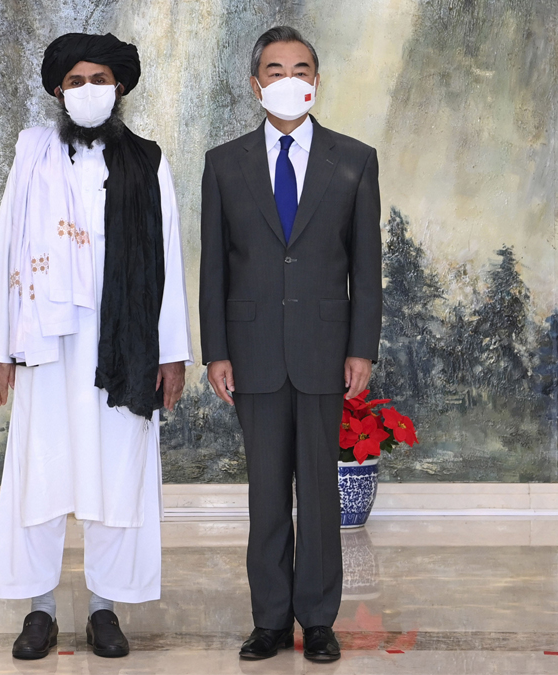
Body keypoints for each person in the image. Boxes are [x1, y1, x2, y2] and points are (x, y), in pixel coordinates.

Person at [0, 32, 192, 660]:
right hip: (45, 340)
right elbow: (7, 244)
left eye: (99, 79)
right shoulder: (32, 153)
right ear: (59, 92)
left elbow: (167, 260)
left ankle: (104, 609)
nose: (88, 89)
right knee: (41, 471)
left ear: (118, 87)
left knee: (116, 472)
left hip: (123, 345)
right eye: (75, 81)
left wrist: (171, 351)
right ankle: (38, 611)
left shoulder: (147, 160)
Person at [198, 26, 382, 663]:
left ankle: (319, 620)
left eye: (300, 69)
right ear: (256, 85)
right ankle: (271, 620)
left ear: (318, 80)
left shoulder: (354, 160)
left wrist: (362, 347)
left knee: (321, 496)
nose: (288, 80)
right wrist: (216, 350)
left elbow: (366, 263)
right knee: (266, 493)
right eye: (274, 71)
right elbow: (214, 267)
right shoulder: (223, 163)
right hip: (251, 354)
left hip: (325, 350)